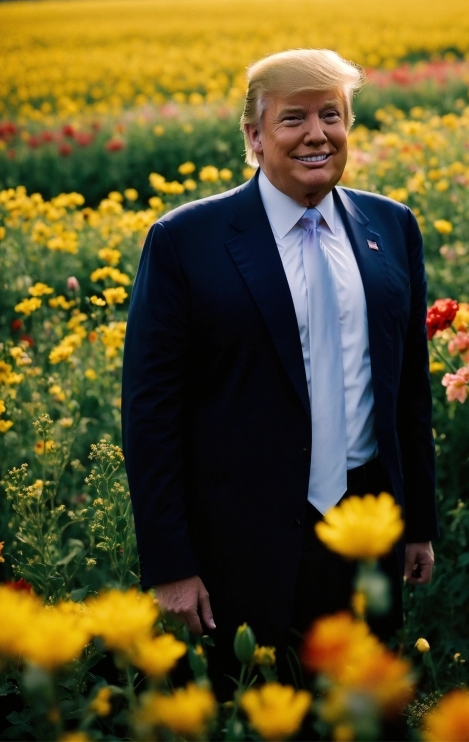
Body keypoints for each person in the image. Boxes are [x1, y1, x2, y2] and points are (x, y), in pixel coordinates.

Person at [121, 48, 438, 694]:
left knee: (362, 712)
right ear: (254, 136)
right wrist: (171, 565)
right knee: (259, 712)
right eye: (293, 118)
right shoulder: (185, 241)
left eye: (332, 115)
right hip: (239, 544)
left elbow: (409, 391)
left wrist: (417, 525)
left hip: (365, 527)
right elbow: (149, 413)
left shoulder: (392, 227)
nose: (317, 134)